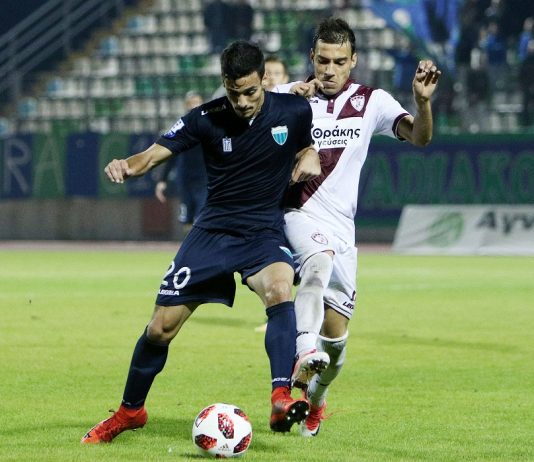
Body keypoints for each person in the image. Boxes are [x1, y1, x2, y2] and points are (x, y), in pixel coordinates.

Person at [81, 40, 321, 444]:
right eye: (233, 92)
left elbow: (306, 143)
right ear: (224, 83)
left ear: (264, 79)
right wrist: (126, 165)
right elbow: (152, 155)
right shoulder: (205, 118)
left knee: (281, 289)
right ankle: (130, 411)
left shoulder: (294, 110)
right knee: (160, 329)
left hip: (262, 231)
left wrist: (310, 152)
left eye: (250, 91)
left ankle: (281, 396)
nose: (242, 102)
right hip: (212, 232)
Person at [273, 17, 441, 437]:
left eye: (339, 61)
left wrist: (422, 103)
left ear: (353, 61)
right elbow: (238, 120)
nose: (329, 70)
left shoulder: (373, 101)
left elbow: (420, 138)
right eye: (323, 60)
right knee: (316, 262)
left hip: (343, 231)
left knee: (336, 342)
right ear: (312, 57)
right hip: (297, 215)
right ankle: (301, 355)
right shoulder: (288, 97)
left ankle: (317, 399)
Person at [154, 91, 208, 235]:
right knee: (186, 218)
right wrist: (162, 180)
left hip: (204, 178)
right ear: (186, 106)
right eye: (191, 103)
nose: (194, 106)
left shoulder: (210, 126)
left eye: (197, 102)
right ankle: (190, 245)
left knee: (201, 215)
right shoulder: (180, 128)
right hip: (185, 178)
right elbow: (171, 154)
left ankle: (200, 244)